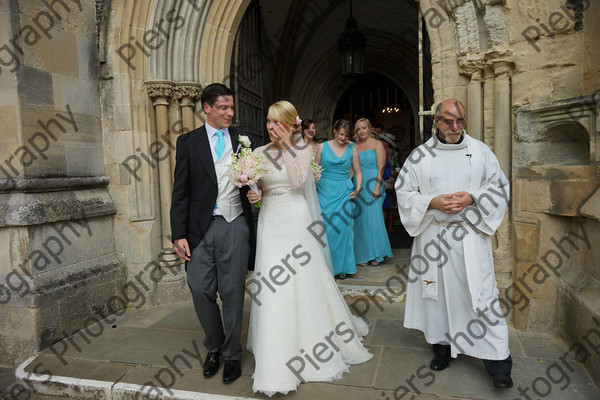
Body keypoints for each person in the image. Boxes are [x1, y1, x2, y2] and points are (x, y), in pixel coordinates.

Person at [246, 101, 372, 396]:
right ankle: (274, 345)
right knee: (273, 283)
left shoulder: (302, 150)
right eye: (268, 121)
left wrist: (289, 145)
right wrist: (254, 193)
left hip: (295, 218)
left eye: (278, 122)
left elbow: (298, 180)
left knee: (302, 279)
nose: (271, 127)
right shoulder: (256, 154)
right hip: (270, 221)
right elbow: (258, 188)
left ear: (291, 125)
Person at [395, 99, 513, 389]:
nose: (455, 127)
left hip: (469, 236)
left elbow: (500, 187)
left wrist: (473, 197)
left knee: (480, 296)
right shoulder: (420, 156)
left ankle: (498, 362)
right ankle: (442, 349)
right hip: (433, 236)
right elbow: (404, 191)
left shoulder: (480, 152)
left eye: (460, 120)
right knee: (438, 297)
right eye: (449, 121)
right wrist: (431, 202)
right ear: (435, 121)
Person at [170, 83, 255, 385]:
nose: (230, 113)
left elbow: (252, 182)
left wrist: (256, 190)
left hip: (234, 224)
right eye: (223, 107)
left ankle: (231, 354)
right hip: (199, 229)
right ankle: (214, 344)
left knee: (232, 292)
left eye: (231, 107)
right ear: (207, 107)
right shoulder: (188, 142)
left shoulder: (243, 140)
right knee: (200, 288)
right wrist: (178, 233)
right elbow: (180, 192)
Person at [314, 119, 363, 280]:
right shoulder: (321, 147)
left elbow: (358, 172)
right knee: (326, 229)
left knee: (343, 231)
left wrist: (358, 188)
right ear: (334, 130)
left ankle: (342, 267)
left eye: (346, 135)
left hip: (343, 191)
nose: (343, 138)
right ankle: (325, 267)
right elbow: (315, 170)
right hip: (325, 191)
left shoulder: (352, 148)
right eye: (341, 134)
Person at [352, 118, 393, 266]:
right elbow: (352, 169)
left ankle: (376, 254)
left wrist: (377, 186)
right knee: (360, 221)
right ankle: (363, 254)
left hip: (374, 183)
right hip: (358, 185)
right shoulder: (354, 146)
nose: (361, 131)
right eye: (358, 129)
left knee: (374, 220)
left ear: (370, 129)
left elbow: (381, 167)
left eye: (364, 128)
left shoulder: (377, 144)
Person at [379, 133, 400, 232]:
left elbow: (398, 167)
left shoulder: (394, 153)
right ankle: (382, 226)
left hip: (391, 179)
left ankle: (390, 226)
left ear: (387, 143)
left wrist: (392, 178)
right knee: (382, 204)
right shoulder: (378, 151)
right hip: (380, 179)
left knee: (391, 204)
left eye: (383, 141)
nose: (381, 142)